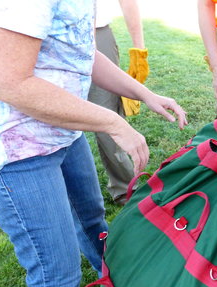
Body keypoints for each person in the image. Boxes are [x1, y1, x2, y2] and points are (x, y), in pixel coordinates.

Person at [0, 1, 187, 287]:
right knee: (55, 275)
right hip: (17, 149)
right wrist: (112, 122)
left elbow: (81, 49)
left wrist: (144, 93)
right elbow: (5, 79)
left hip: (63, 133)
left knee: (93, 223)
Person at [89, 0, 148, 205]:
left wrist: (139, 48)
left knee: (107, 115)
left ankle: (125, 189)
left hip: (97, 31)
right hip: (38, 33)